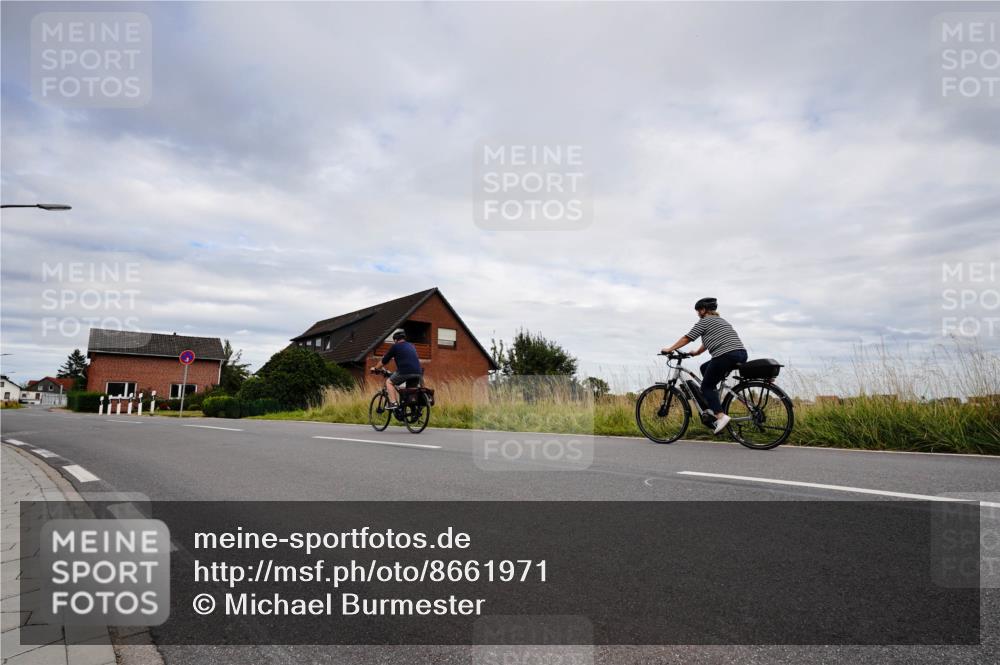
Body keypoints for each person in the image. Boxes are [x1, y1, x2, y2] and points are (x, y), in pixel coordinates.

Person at [661, 297, 748, 434]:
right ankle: (714, 400)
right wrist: (696, 352)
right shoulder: (721, 321)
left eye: (698, 311)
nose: (697, 314)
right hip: (741, 354)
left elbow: (687, 337)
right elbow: (709, 340)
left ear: (703, 310)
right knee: (704, 368)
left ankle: (720, 416)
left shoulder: (704, 321)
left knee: (706, 386)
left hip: (725, 355)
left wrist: (670, 349)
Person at [373, 329, 423, 409]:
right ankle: (413, 411)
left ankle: (394, 403)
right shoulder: (411, 345)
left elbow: (384, 361)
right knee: (410, 392)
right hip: (418, 372)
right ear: (403, 338)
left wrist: (376, 368)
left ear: (395, 340)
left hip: (405, 371)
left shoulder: (395, 347)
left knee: (389, 382)